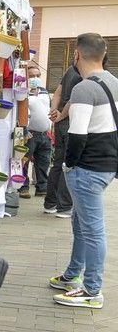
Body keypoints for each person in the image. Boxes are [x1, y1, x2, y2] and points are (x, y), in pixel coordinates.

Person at [50, 33, 118, 308]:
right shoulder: (114, 82)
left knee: (91, 229)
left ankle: (91, 290)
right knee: (81, 223)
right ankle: (72, 275)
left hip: (87, 167)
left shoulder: (82, 88)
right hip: (106, 165)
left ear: (76, 55)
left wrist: (69, 165)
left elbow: (77, 135)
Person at [44, 61, 82, 216]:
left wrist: (54, 112)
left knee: (58, 164)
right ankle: (64, 206)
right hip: (71, 122)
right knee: (69, 165)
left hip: (61, 124)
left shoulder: (69, 70)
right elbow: (74, 98)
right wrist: (60, 115)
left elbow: (58, 92)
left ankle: (50, 203)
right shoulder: (83, 72)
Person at [20, 64, 53, 198]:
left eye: (37, 76)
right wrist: (24, 130)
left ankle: (42, 188)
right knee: (24, 161)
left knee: (43, 163)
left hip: (44, 134)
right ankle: (23, 187)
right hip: (30, 134)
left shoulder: (44, 92)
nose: (35, 78)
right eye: (32, 76)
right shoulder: (23, 92)